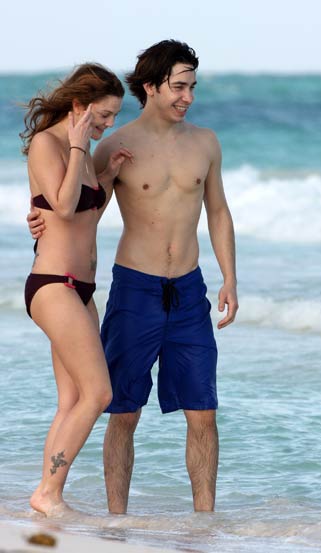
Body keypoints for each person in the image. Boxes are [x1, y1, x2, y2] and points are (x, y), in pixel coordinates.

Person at [28, 40, 238, 514]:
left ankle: (204, 524)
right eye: (179, 86)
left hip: (189, 290)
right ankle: (116, 524)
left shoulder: (206, 142)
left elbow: (219, 211)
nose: (188, 96)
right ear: (151, 87)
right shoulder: (114, 144)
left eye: (192, 87)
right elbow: (78, 210)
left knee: (203, 411)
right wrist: (38, 216)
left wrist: (230, 276)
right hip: (134, 288)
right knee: (121, 410)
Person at [22, 63, 132, 516]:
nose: (109, 124)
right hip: (53, 285)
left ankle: (46, 496)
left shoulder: (82, 150)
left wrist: (106, 178)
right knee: (98, 394)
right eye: (103, 115)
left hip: (82, 289)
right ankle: (48, 494)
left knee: (71, 400)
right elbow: (64, 207)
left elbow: (86, 216)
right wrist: (74, 145)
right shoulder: (48, 144)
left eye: (114, 116)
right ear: (79, 106)